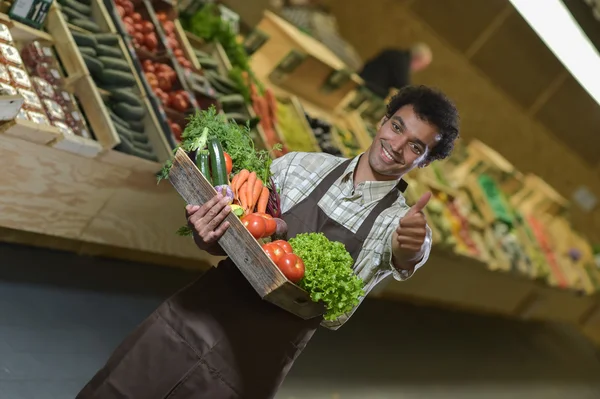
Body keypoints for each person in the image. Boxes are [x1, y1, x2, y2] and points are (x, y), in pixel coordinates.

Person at [77, 85, 459, 399]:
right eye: (396, 127)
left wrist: (412, 249)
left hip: (249, 367)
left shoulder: (397, 223)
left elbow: (407, 255)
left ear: (424, 162)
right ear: (382, 122)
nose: (396, 145)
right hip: (192, 320)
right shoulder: (300, 166)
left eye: (415, 147)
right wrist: (206, 230)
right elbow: (232, 229)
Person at [359, 44, 433, 99]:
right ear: (417, 59)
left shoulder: (395, 53)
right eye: (422, 66)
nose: (419, 69)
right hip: (365, 91)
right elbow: (405, 88)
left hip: (362, 82)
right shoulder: (401, 62)